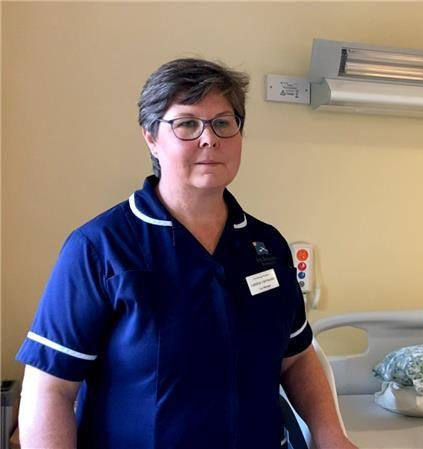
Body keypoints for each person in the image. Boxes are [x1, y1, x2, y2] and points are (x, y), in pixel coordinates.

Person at [15, 58, 356, 449]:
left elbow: (295, 358)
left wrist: (331, 434)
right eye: (187, 124)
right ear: (151, 137)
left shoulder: (266, 246)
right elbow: (50, 390)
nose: (209, 139)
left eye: (223, 123)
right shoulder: (99, 248)